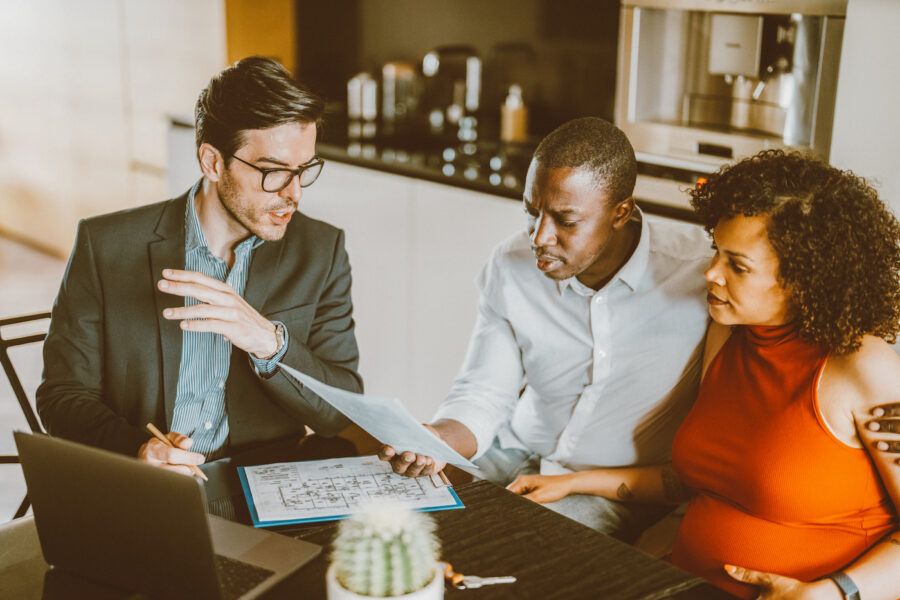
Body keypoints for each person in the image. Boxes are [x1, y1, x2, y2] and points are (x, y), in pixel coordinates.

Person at [508, 150, 900, 599]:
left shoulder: (862, 368)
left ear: (807, 279)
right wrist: (574, 482)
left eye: (738, 265)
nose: (711, 273)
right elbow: (695, 480)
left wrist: (833, 592)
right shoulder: (729, 336)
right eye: (717, 251)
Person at [379, 117, 713, 541]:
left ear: (620, 212)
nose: (539, 236)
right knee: (394, 527)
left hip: (609, 487)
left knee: (530, 558)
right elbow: (484, 391)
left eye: (565, 220)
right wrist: (436, 439)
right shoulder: (511, 264)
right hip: (514, 450)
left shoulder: (700, 278)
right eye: (531, 212)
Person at [37, 57, 361, 473]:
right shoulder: (107, 246)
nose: (294, 193)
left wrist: (268, 342)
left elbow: (337, 413)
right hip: (148, 485)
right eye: (274, 172)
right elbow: (61, 396)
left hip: (265, 481)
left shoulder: (321, 249)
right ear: (212, 162)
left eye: (304, 170)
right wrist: (140, 450)